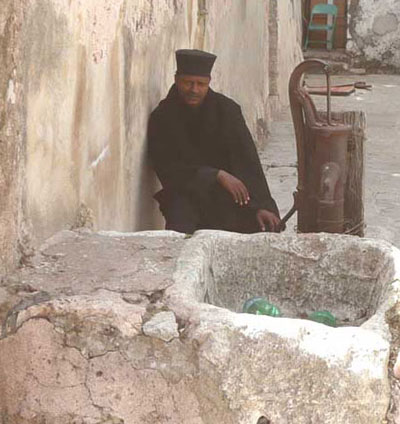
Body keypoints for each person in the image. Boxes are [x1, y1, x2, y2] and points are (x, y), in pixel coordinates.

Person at [148, 49, 282, 234]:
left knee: (260, 225)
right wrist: (215, 175)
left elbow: (248, 162)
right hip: (186, 194)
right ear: (177, 79)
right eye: (188, 83)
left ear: (209, 83)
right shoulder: (162, 117)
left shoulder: (227, 111)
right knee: (180, 227)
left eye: (200, 84)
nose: (194, 89)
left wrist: (262, 205)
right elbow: (167, 169)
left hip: (226, 197)